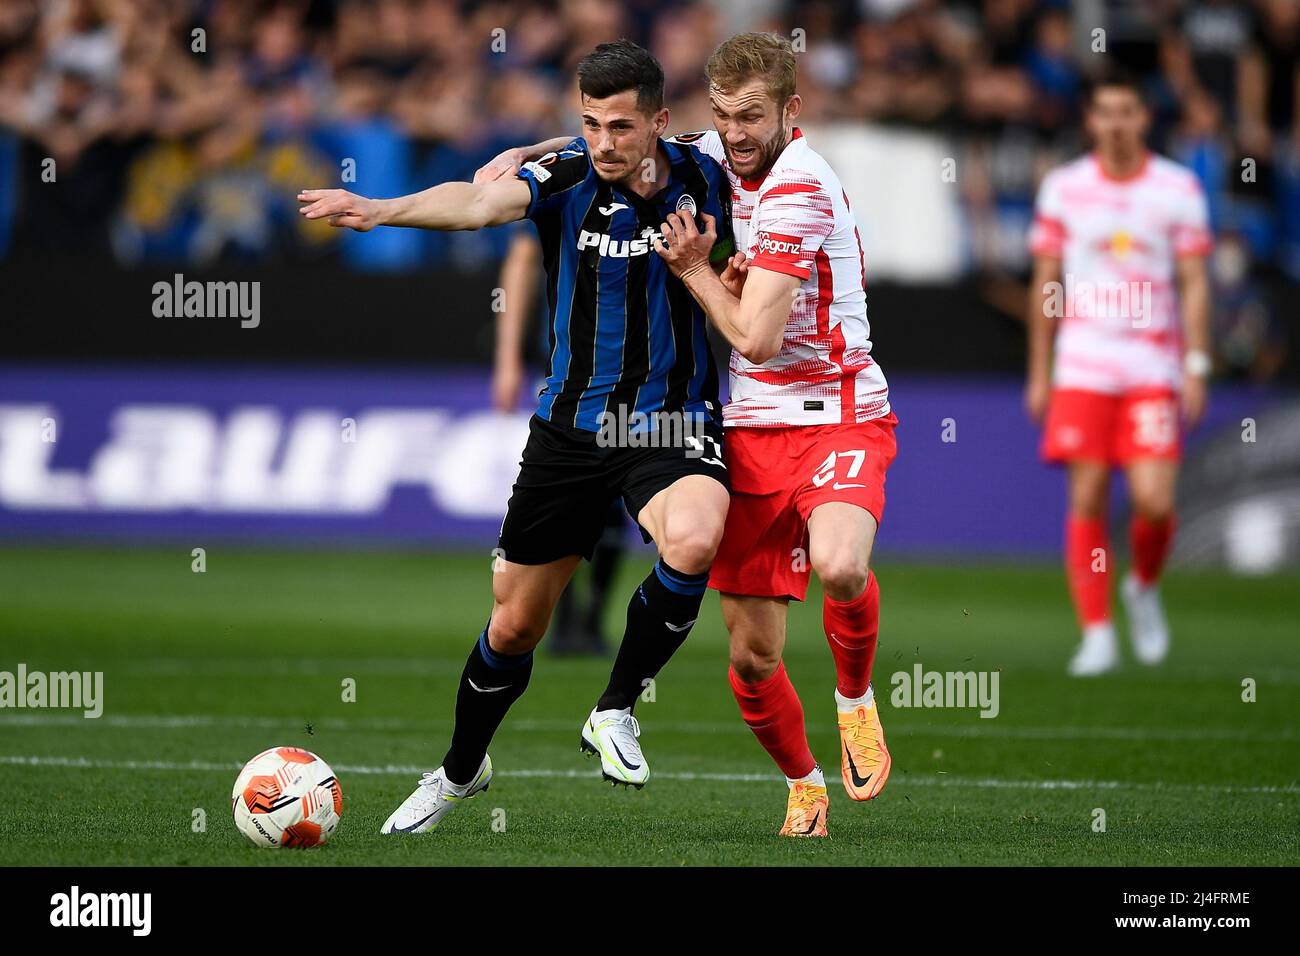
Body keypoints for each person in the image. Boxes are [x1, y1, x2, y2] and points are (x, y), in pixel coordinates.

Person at [298, 39, 734, 833]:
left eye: (621, 126)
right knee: (514, 625)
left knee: (697, 538)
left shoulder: (708, 169)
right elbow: (477, 205)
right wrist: (382, 209)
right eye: (591, 124)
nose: (604, 142)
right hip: (569, 429)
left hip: (669, 421)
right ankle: (459, 772)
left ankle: (614, 708)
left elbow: (769, 141)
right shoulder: (565, 176)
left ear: (660, 123)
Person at [656, 33, 897, 838]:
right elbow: (627, 140)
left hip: (840, 410)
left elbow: (756, 341)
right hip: (754, 428)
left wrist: (697, 271)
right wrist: (528, 155)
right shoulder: (719, 151)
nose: (735, 132)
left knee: (840, 563)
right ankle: (803, 786)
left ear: (791, 110)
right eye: (723, 115)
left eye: (751, 116)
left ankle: (855, 700)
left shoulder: (799, 185)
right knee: (752, 656)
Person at [1025, 73, 1213, 677]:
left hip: (1152, 365)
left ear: (1144, 118)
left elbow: (1195, 282)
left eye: (1127, 111)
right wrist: (1040, 371)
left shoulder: (1177, 188)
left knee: (1154, 501)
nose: (1116, 123)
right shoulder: (1064, 187)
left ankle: (1144, 585)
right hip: (1083, 363)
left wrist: (1197, 364)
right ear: (1090, 120)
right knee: (1087, 494)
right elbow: (1046, 282)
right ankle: (1098, 633)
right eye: (1105, 111)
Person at [490, 225, 625, 657]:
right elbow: (522, 257)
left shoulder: (659, 192)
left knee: (613, 500)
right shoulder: (566, 191)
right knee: (568, 496)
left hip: (637, 374)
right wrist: (508, 358)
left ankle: (591, 617)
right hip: (568, 370)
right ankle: (564, 617)